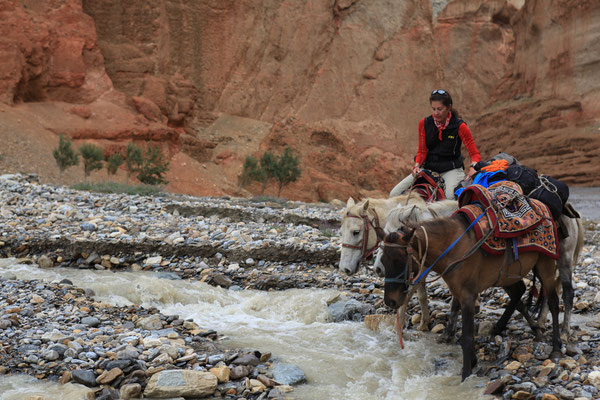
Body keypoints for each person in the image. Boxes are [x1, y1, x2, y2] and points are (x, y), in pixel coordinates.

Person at [390, 89, 481, 199]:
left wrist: (473, 167)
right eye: (433, 109)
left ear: (449, 107)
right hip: (429, 168)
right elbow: (422, 151)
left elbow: (474, 154)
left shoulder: (460, 126)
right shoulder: (424, 123)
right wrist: (417, 165)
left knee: (450, 197)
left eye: (440, 109)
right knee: (394, 194)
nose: (436, 113)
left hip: (451, 169)